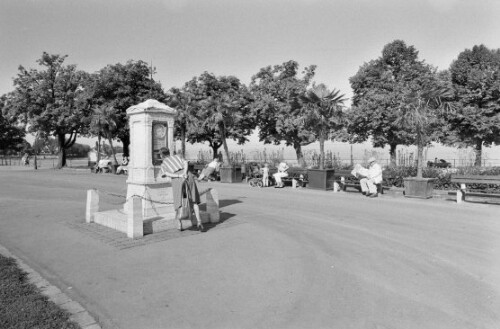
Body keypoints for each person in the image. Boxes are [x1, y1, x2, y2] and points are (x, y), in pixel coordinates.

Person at [159, 147, 204, 232]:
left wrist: (179, 176)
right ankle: (199, 222)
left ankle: (179, 224)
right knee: (194, 200)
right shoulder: (177, 156)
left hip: (177, 180)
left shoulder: (164, 163)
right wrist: (184, 173)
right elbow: (185, 163)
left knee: (178, 201)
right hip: (188, 175)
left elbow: (166, 173)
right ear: (169, 152)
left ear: (162, 155)